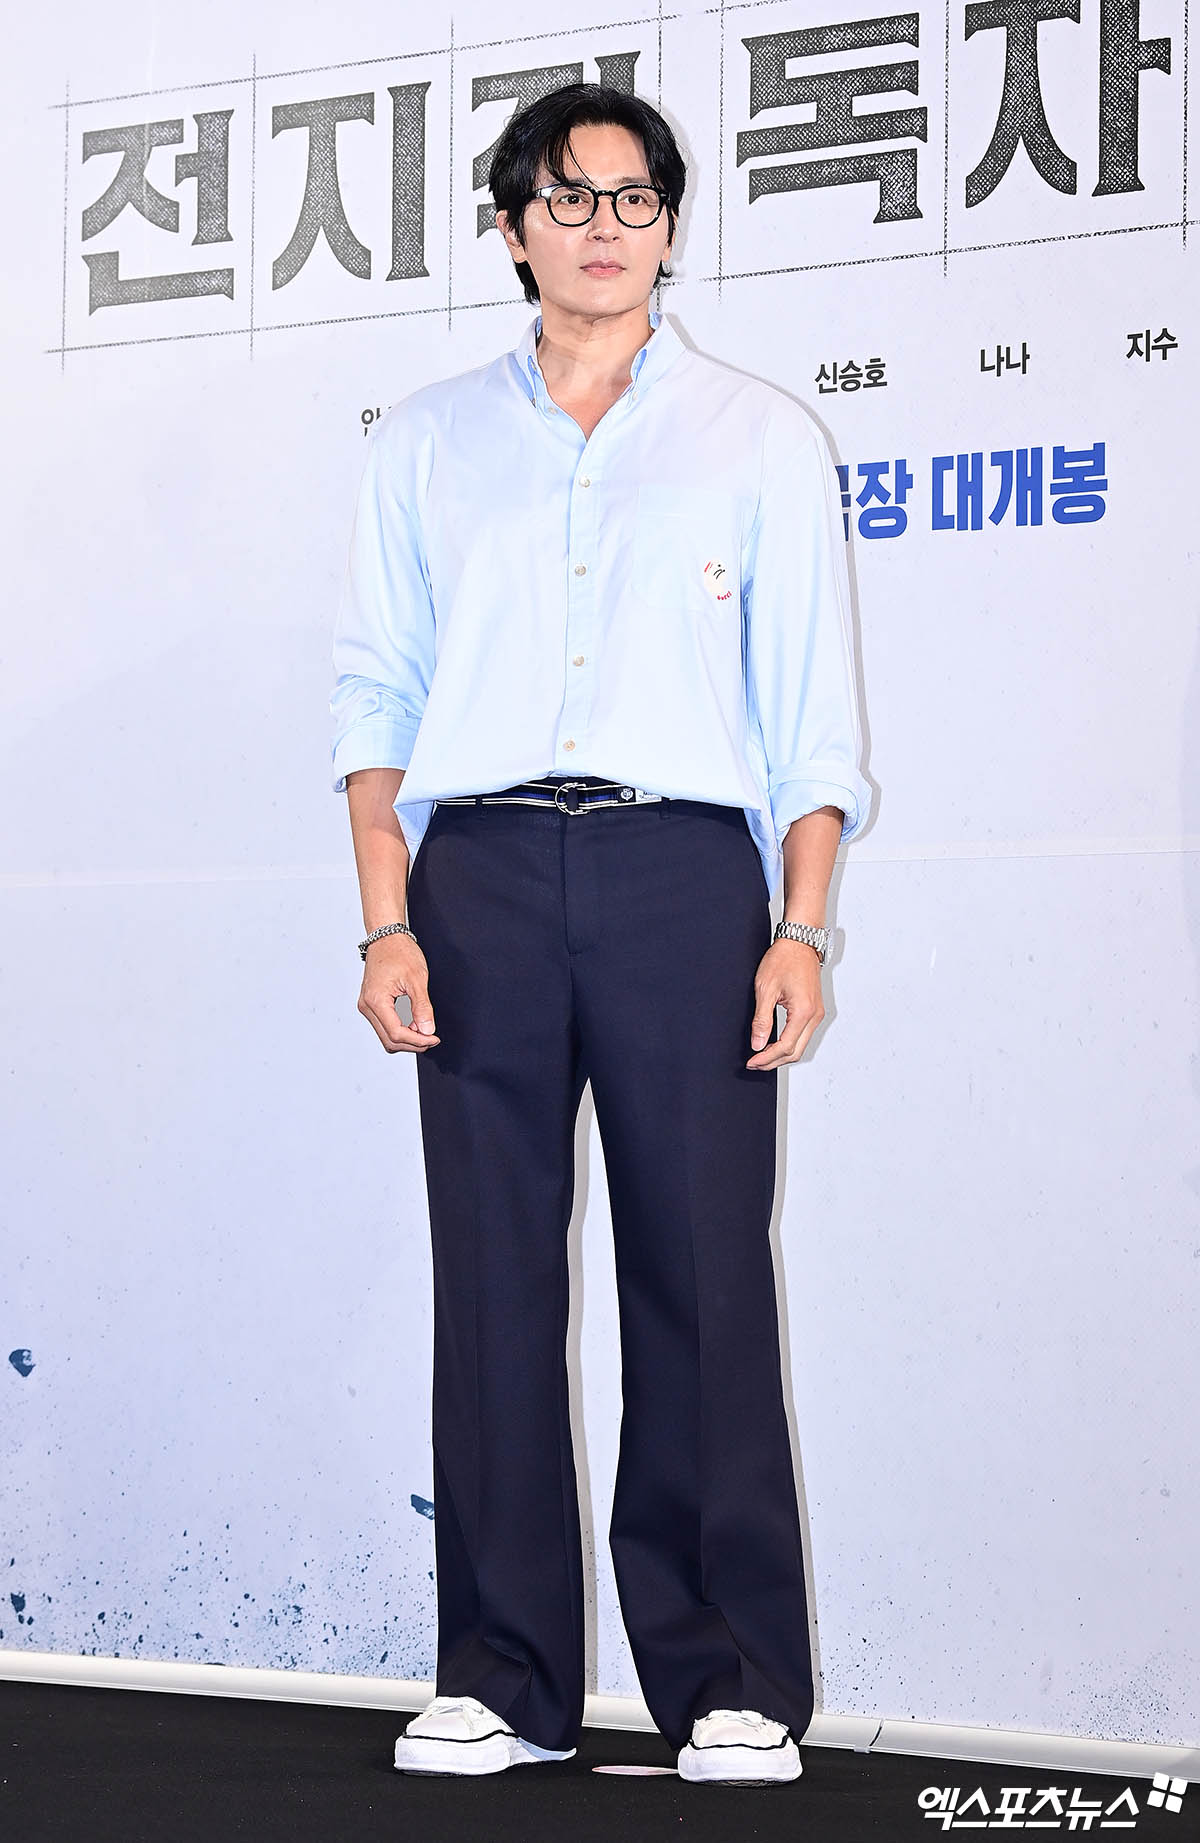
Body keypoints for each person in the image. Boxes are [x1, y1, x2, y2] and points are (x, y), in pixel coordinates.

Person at [329, 81, 872, 1788]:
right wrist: (385, 919)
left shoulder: (758, 435)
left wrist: (802, 930)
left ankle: (729, 1682)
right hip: (479, 875)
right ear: (512, 230)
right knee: (493, 1280)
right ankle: (500, 1673)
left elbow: (810, 723)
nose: (603, 226)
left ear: (670, 226)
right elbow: (376, 698)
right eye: (566, 198)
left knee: (701, 1273)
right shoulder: (425, 442)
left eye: (634, 198)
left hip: (682, 877)